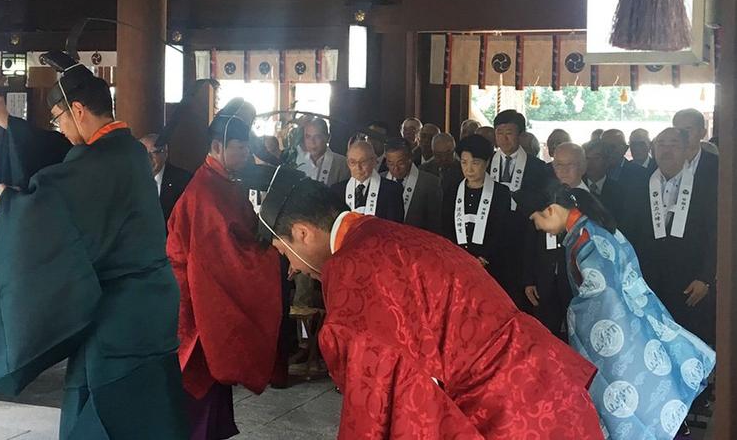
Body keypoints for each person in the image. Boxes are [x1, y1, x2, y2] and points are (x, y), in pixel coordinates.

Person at [257, 167, 604, 439]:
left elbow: (378, 394)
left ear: (302, 233)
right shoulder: (378, 232)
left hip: (507, 408)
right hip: (538, 382)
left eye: (285, 253)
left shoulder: (351, 269)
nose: (293, 268)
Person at [0, 57, 189, 439]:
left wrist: (9, 202)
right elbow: (61, 154)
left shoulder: (103, 161)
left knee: (107, 408)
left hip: (122, 311)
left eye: (59, 119)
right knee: (142, 406)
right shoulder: (129, 149)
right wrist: (9, 123)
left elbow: (51, 204)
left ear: (79, 110)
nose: (61, 129)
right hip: (149, 303)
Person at [531, 185, 715, 440]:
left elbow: (602, 291)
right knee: (652, 387)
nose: (537, 227)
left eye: (536, 220)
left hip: (621, 326)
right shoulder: (591, 227)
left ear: (551, 210)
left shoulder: (585, 236)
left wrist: (574, 313)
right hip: (635, 316)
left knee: (632, 395)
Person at [166, 98, 282, 439]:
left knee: (214, 385)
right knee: (200, 382)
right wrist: (270, 255)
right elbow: (223, 258)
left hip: (209, 293)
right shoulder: (205, 193)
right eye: (240, 148)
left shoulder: (223, 181)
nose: (246, 154)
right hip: (199, 303)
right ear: (218, 147)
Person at [631, 127, 717, 345]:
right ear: (653, 149)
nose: (666, 150)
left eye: (674, 144)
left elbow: (715, 234)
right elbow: (631, 231)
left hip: (691, 281)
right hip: (649, 281)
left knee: (691, 343)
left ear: (687, 150)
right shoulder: (639, 184)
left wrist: (706, 278)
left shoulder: (705, 185)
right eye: (661, 144)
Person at [525, 142, 585, 337]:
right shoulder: (545, 196)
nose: (563, 171)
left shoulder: (593, 200)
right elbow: (531, 240)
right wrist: (529, 279)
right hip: (546, 279)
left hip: (580, 283)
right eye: (558, 164)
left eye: (570, 165)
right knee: (545, 336)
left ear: (583, 166)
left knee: (578, 337)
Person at [491, 110, 549, 311]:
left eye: (509, 133)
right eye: (499, 133)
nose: (504, 138)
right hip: (492, 239)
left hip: (524, 239)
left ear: (521, 135)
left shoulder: (538, 167)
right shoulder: (486, 163)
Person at [443, 135, 514, 296]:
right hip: (457, 263)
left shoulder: (500, 193)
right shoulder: (452, 190)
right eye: (464, 162)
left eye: (475, 163)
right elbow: (446, 226)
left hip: (491, 265)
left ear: (487, 162)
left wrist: (484, 257)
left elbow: (501, 230)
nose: (469, 169)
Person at [332, 140, 404, 222]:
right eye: (353, 162)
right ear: (348, 163)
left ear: (374, 161)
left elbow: (395, 226)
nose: (358, 167)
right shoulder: (337, 190)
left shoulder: (392, 190)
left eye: (363, 162)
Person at [385, 137, 442, 233]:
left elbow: (434, 224)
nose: (396, 168)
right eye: (390, 164)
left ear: (410, 158)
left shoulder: (430, 183)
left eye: (400, 163)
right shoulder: (381, 179)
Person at [140, 133, 193, 223]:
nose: (148, 158)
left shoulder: (183, 181)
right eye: (143, 153)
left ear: (165, 152)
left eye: (154, 152)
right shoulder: (131, 181)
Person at [295, 117, 349, 187]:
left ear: (328, 138)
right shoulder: (297, 161)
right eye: (308, 137)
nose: (312, 142)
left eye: (317, 136)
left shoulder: (342, 164)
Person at [582, 140, 627, 223]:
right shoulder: (577, 185)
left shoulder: (619, 190)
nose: (590, 163)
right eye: (587, 158)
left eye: (596, 158)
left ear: (607, 161)